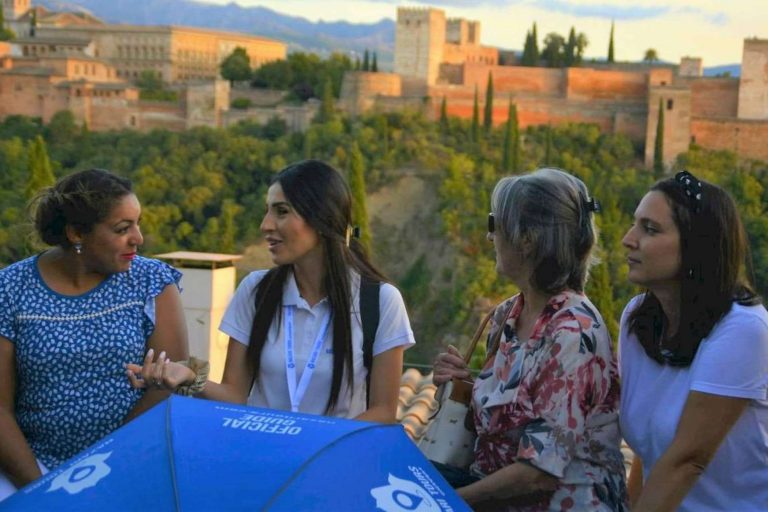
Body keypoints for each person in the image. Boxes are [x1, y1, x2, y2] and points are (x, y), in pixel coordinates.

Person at [128, 160, 415, 422]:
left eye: (281, 212)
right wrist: (190, 378)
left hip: (332, 467)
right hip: (262, 461)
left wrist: (319, 446)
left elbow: (383, 411)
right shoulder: (255, 290)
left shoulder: (380, 301)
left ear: (321, 219)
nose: (265, 225)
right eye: (268, 211)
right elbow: (235, 395)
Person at [432, 168, 628, 511]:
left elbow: (539, 472)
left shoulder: (573, 333)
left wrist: (444, 502)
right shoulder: (507, 314)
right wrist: (464, 389)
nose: (490, 236)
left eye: (495, 223)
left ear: (527, 239)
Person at [0, 169, 188, 499]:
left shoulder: (152, 281)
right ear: (76, 233)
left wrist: (102, 470)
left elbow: (166, 389)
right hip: (32, 470)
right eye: (122, 228)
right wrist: (44, 491)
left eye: (137, 224)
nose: (138, 239)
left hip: (130, 465)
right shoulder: (11, 289)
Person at [619, 171, 768, 511]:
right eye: (634, 224)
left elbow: (687, 461)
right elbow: (651, 455)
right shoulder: (637, 320)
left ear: (697, 245)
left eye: (650, 229)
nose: (629, 239)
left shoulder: (743, 330)